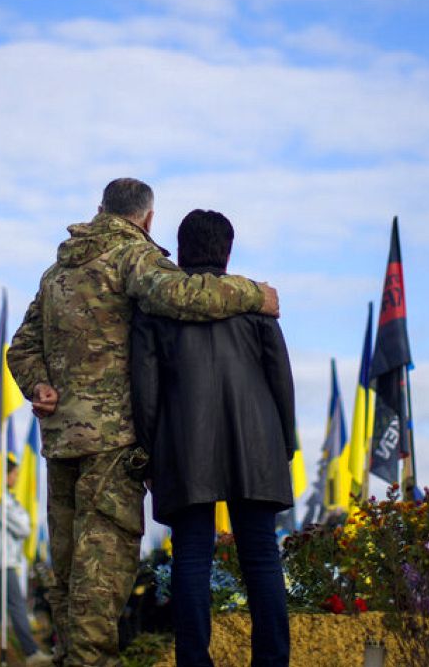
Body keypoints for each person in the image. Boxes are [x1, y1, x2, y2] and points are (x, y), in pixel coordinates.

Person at [8, 178, 280, 666]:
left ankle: (73, 658)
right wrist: (253, 293)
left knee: (68, 571)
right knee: (102, 570)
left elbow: (21, 346)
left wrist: (39, 386)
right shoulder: (131, 257)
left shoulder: (56, 273)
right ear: (148, 219)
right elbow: (182, 294)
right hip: (112, 441)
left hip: (62, 439)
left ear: (99, 209)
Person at [130, 209, 295, 667]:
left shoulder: (155, 308)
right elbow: (280, 377)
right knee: (262, 557)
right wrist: (284, 442)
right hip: (257, 443)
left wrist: (151, 450)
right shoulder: (256, 302)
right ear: (228, 250)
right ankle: (272, 661)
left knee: (191, 560)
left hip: (183, 448)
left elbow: (145, 392)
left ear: (181, 250)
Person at [0, 455, 51, 665]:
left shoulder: (4, 498)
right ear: (4, 474)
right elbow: (23, 527)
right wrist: (23, 520)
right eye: (14, 473)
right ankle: (31, 653)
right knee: (17, 605)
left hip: (0, 560)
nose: (17, 477)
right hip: (1, 561)